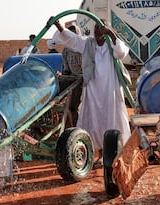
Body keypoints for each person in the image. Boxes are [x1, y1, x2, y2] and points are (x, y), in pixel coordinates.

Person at [51, 19, 131, 168]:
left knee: (111, 120)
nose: (96, 31)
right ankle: (97, 153)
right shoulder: (88, 43)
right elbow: (72, 39)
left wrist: (111, 34)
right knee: (94, 120)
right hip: (93, 90)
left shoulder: (112, 43)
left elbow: (121, 53)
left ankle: (111, 154)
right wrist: (60, 26)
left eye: (100, 28)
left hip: (110, 89)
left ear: (106, 29)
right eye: (95, 28)